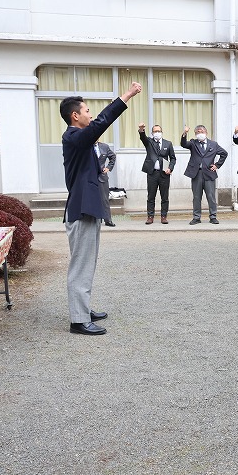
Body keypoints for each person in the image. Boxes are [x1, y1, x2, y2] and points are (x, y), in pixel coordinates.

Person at [60, 82, 142, 335]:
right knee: (81, 266)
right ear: (75, 116)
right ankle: (78, 320)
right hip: (80, 210)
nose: (90, 114)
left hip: (89, 209)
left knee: (88, 263)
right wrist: (126, 96)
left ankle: (82, 309)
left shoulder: (83, 141)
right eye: (86, 110)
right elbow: (100, 123)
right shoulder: (73, 136)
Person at [182, 124, 228, 225]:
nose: (200, 133)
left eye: (202, 131)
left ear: (206, 133)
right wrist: (185, 133)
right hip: (196, 173)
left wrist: (217, 165)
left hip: (209, 173)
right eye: (197, 132)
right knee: (197, 197)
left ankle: (213, 216)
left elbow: (224, 154)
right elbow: (184, 144)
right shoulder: (193, 143)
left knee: (211, 196)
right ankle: (196, 217)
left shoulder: (213, 144)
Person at [138, 122, 176, 224]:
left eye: (158, 131)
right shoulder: (149, 142)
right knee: (151, 196)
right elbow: (143, 137)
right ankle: (150, 216)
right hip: (152, 173)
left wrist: (170, 168)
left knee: (164, 196)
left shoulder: (168, 143)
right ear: (152, 133)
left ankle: (164, 216)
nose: (157, 133)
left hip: (164, 174)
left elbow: (173, 158)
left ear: (162, 132)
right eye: (155, 131)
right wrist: (141, 129)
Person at [95, 140, 116, 227]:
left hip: (102, 177)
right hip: (89, 177)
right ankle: (95, 220)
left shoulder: (104, 146)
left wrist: (108, 167)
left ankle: (108, 220)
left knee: (104, 199)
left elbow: (113, 157)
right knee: (92, 199)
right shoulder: (86, 146)